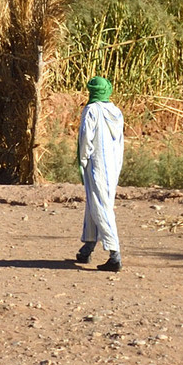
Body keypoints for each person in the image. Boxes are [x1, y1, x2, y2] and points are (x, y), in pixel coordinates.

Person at [75, 75, 124, 273]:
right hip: (113, 164)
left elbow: (86, 137)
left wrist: (83, 159)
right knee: (95, 203)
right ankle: (87, 247)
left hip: (97, 164)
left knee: (101, 207)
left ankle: (114, 254)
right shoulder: (116, 111)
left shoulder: (92, 110)